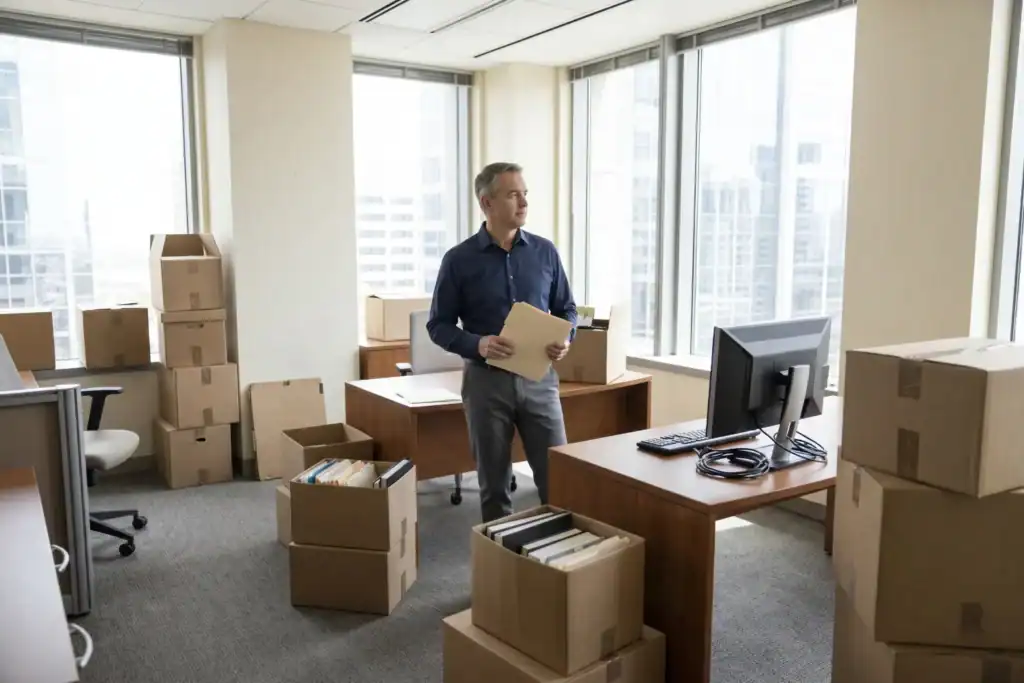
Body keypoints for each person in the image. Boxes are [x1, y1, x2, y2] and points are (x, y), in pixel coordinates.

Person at [427, 162, 577, 523]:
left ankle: (562, 568)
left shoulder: (545, 252)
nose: (523, 202)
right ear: (487, 203)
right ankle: (505, 571)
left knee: (559, 481)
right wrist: (477, 344)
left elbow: (568, 309)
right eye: (513, 194)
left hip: (540, 382)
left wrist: (565, 338)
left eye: (525, 194)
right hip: (486, 384)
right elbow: (438, 325)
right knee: (495, 487)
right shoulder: (459, 260)